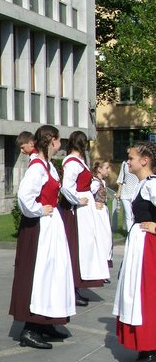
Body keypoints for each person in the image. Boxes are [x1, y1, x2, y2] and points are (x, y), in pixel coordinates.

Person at [9, 125, 75, 349]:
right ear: (51, 140)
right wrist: (39, 209)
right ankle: (31, 328)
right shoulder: (37, 167)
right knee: (40, 274)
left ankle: (45, 321)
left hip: (50, 225)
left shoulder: (47, 165)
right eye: (58, 140)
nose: (60, 144)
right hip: (41, 228)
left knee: (52, 273)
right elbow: (24, 196)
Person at [114, 142, 156, 362]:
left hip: (148, 247)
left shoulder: (152, 184)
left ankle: (150, 353)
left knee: (145, 297)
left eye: (131, 158)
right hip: (140, 245)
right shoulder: (143, 184)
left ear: (144, 160)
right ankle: (146, 350)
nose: (127, 162)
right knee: (139, 296)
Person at [60, 131, 105, 307]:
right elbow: (66, 187)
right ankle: (73, 287)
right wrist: (78, 200)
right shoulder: (72, 162)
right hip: (77, 211)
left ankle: (77, 284)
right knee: (76, 247)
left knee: (84, 246)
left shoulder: (78, 161)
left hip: (84, 210)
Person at [92, 160, 114, 276]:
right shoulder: (95, 183)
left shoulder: (102, 182)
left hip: (103, 213)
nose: (108, 170)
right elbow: (88, 195)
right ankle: (100, 268)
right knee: (102, 238)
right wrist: (94, 203)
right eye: (106, 168)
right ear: (99, 169)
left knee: (107, 238)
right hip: (98, 214)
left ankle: (104, 268)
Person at [117, 155, 140, 231]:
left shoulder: (138, 163)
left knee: (135, 214)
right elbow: (121, 178)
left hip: (135, 193)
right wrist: (119, 192)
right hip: (125, 193)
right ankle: (129, 232)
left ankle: (135, 231)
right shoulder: (124, 164)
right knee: (128, 215)